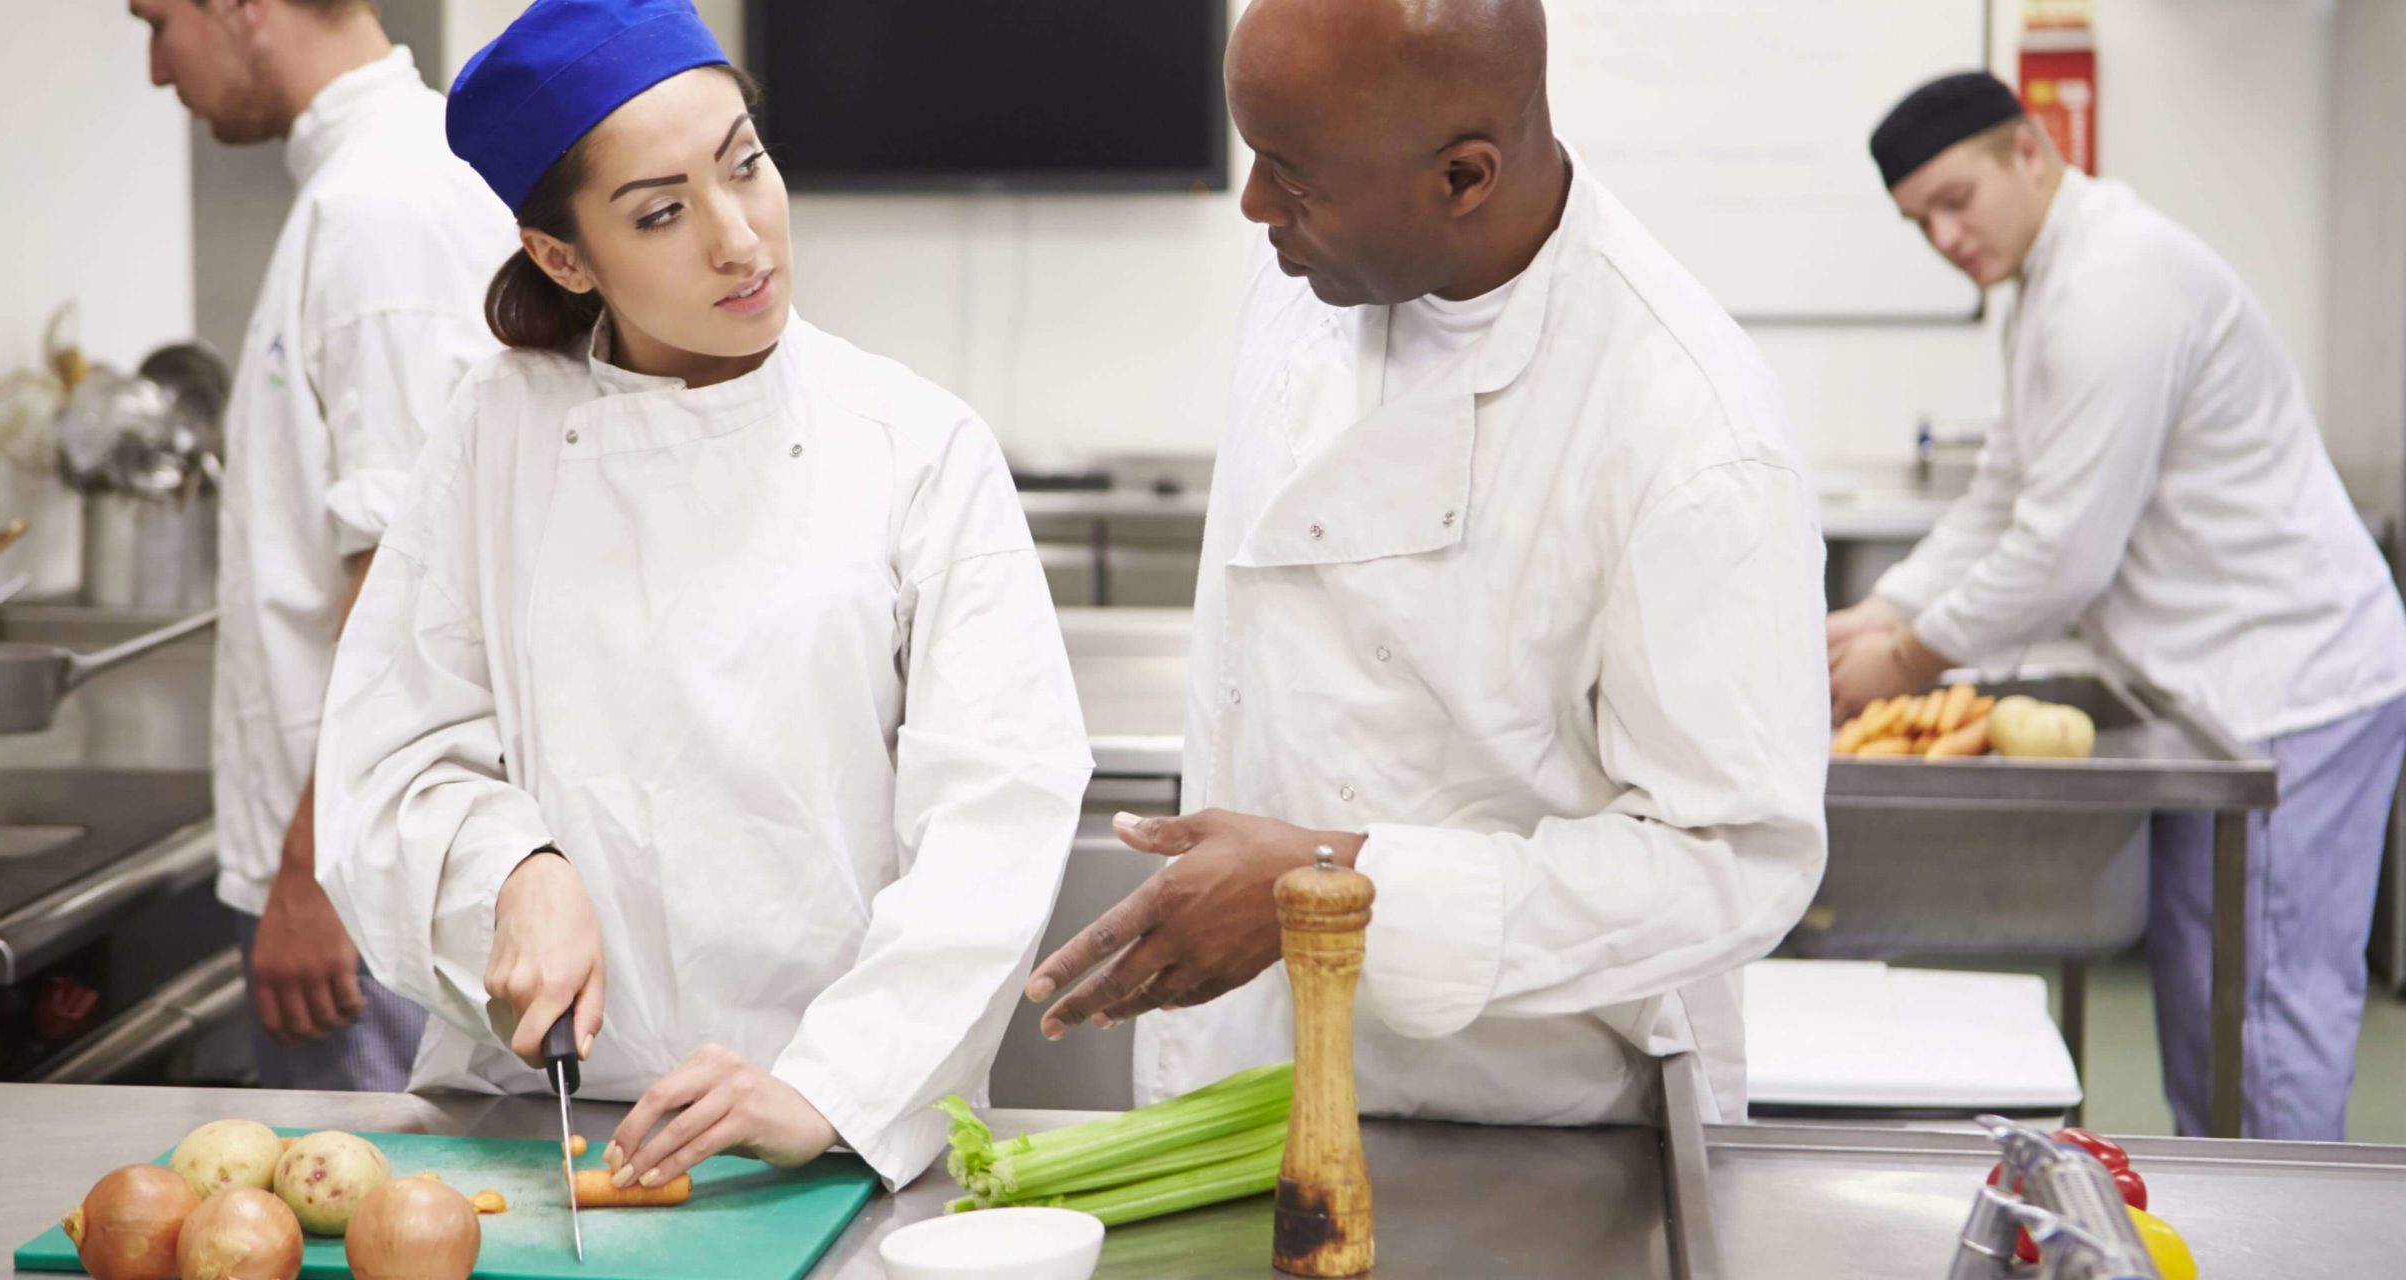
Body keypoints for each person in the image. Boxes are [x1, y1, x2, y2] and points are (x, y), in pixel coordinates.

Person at [314, 0, 1090, 1190]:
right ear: (563, 256)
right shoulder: (494, 434)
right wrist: (508, 871)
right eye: (663, 212)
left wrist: (829, 1086)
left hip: (830, 1136)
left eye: (747, 165)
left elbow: (998, 808)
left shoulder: (913, 446)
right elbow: (393, 761)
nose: (741, 239)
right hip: (541, 1132)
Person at [1025, 0, 1828, 1125]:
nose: (1252, 205)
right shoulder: (1314, 272)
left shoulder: (1689, 428)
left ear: (1463, 178)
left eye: (1290, 178)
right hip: (1258, 1071)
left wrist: (1330, 886)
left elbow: (1732, 864)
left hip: (1523, 1120)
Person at [1828, 72, 2406, 1140]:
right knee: (2209, 1011)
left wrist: (1904, 659)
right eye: (1920, 222)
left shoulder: (2113, 284)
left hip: (2291, 681)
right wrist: (1875, 613)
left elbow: (2062, 554)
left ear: (2029, 152)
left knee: (2260, 1026)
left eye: (1956, 199)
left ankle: (2274, 1251)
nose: (1945, 236)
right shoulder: (2048, 284)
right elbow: (2006, 487)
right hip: (2219, 682)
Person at [127, 0, 511, 1089]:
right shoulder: (373, 186)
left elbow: (404, 580)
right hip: (358, 860)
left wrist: (312, 874)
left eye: (158, 22)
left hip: (363, 884)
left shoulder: (378, 209)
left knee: (375, 1236)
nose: (158, 68)